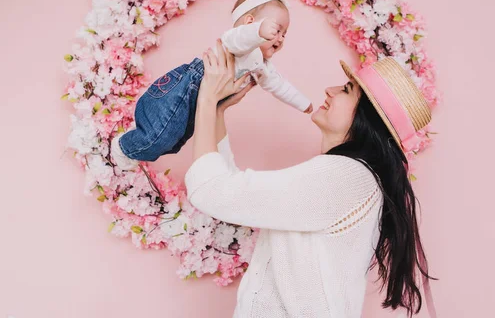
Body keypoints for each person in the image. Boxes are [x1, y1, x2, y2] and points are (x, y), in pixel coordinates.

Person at [184, 40, 436, 318]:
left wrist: (206, 98)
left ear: (367, 118)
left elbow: (211, 190)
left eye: (346, 90)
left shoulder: (344, 177)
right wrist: (217, 110)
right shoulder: (352, 178)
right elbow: (234, 193)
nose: (330, 90)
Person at [111, 0, 312, 170]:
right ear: (250, 23)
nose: (280, 38)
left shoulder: (262, 65)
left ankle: (133, 143)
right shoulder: (238, 43)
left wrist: (304, 104)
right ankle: (124, 146)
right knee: (159, 136)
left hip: (203, 102)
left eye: (284, 34)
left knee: (173, 141)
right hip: (187, 86)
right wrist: (259, 32)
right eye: (277, 30)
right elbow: (238, 37)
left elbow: (279, 86)